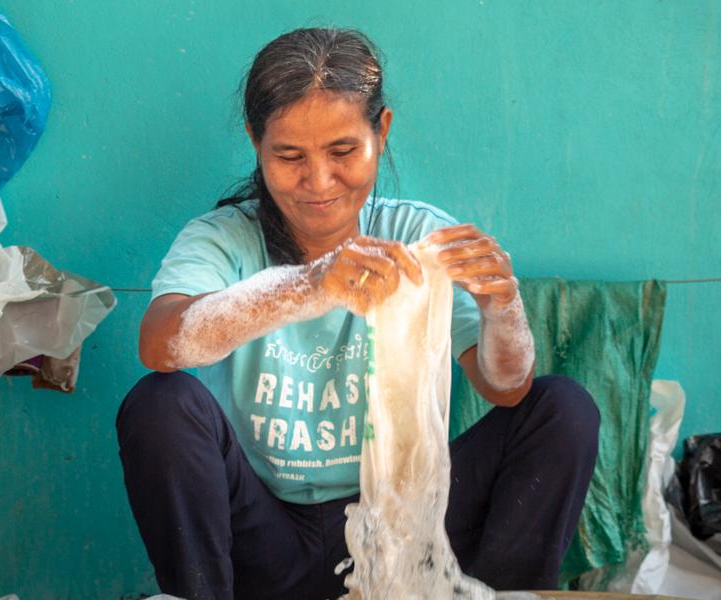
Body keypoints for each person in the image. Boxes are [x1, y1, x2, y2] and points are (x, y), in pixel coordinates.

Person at [118, 27, 601, 599]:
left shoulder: (415, 235)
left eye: (343, 151)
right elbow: (162, 344)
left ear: (382, 132)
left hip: (404, 526)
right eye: (289, 156)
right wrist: (308, 286)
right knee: (159, 404)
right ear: (255, 142)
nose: (318, 182)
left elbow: (507, 388)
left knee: (563, 409)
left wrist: (502, 305)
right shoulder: (224, 240)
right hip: (266, 541)